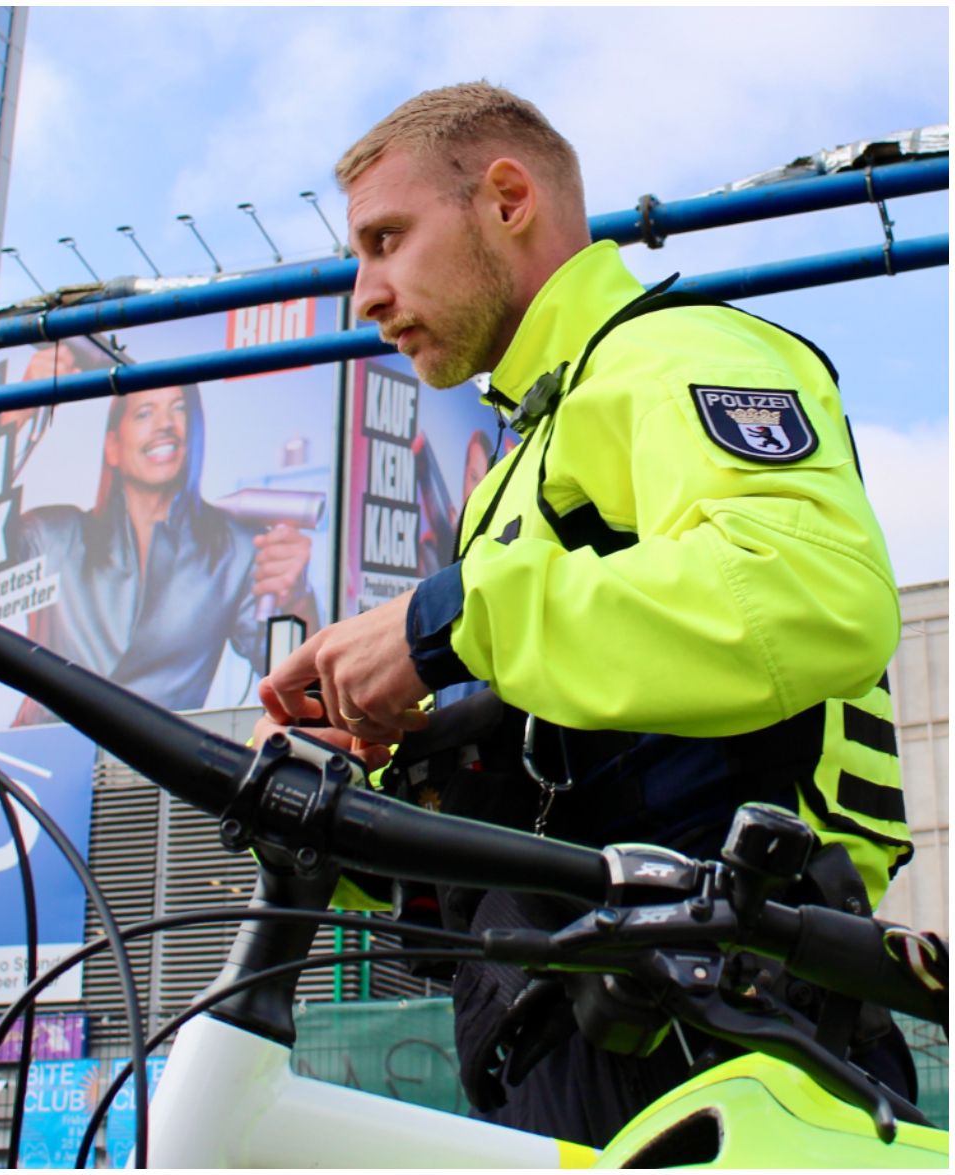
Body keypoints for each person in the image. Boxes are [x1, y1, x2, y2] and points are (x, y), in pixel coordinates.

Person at [256, 82, 912, 1146]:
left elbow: (815, 592)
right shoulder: (515, 469)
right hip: (563, 1029)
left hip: (727, 1020)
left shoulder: (673, 355)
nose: (364, 296)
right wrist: (356, 797)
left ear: (506, 198)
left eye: (385, 239)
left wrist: (443, 623)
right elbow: (547, 786)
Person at [9, 339, 320, 725]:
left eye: (179, 409)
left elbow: (298, 688)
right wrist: (16, 414)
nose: (165, 425)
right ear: (112, 446)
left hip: (159, 756)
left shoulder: (235, 550)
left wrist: (297, 601)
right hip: (41, 752)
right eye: (144, 413)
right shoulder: (50, 534)